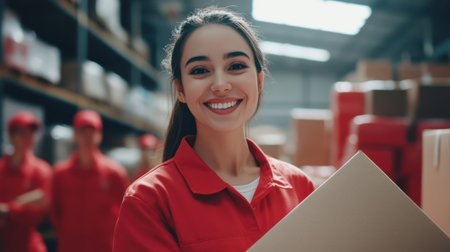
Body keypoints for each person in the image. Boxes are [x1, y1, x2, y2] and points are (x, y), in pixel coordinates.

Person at [113, 7, 314, 252]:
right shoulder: (149, 201)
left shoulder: (298, 186)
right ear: (181, 90)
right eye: (200, 70)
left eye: (236, 66)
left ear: (259, 81)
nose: (220, 85)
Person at [50, 110, 129, 252]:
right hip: (70, 247)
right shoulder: (60, 174)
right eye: (82, 132)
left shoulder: (114, 172)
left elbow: (126, 212)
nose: (88, 137)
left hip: (104, 247)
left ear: (100, 136)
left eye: (92, 132)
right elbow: (55, 213)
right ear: (74, 135)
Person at [0, 111, 52, 252]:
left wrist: (8, 210)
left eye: (31, 134)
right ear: (11, 136)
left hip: (29, 246)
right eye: (22, 133)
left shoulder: (41, 170)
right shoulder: (1, 169)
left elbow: (38, 214)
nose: (28, 139)